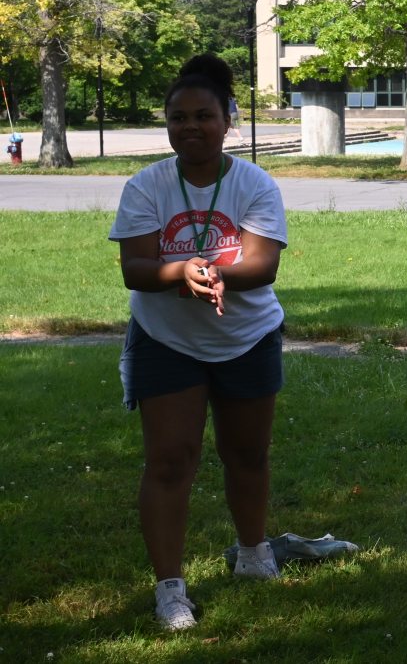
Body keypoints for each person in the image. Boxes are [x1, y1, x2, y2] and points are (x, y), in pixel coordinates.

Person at [109, 54, 288, 631]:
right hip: (166, 340)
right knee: (169, 461)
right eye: (178, 118)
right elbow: (135, 268)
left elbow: (261, 266)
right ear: (167, 125)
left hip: (247, 336)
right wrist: (179, 272)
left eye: (203, 116)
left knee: (248, 455)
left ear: (227, 119)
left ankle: (255, 554)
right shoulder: (147, 185)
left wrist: (209, 274)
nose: (190, 127)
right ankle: (170, 590)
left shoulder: (255, 184)